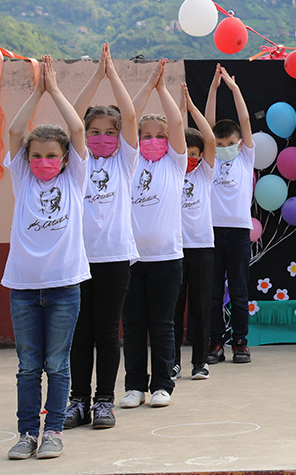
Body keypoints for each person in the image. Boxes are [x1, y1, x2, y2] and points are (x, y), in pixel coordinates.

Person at [3, 56, 89, 460]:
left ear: (65, 159)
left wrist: (54, 90)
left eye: (51, 156)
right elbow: (15, 131)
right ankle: (26, 434)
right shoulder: (22, 178)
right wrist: (37, 91)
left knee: (57, 364)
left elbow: (76, 130)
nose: (42, 162)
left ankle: (53, 431)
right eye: (36, 156)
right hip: (22, 289)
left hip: (64, 288)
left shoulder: (74, 179)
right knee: (27, 367)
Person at [63, 43, 138, 432]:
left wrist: (113, 75)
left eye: (110, 132)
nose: (102, 137)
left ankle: (104, 401)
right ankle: (78, 400)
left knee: (107, 331)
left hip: (114, 258)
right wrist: (96, 75)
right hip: (78, 259)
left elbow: (131, 115)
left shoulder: (126, 162)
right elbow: (73, 116)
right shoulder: (77, 162)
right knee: (80, 333)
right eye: (94, 132)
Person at [119, 60, 187, 409]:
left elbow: (177, 123)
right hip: (130, 259)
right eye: (146, 136)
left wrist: (162, 89)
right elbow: (128, 119)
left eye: (160, 136)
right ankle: (134, 386)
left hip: (166, 259)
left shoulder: (176, 164)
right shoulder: (128, 163)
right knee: (132, 326)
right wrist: (147, 86)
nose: (153, 140)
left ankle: (162, 384)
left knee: (162, 324)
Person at [205, 64, 256, 365]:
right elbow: (207, 125)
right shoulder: (210, 158)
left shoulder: (245, 158)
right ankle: (215, 342)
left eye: (229, 144)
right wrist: (213, 89)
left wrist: (234, 89)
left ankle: (240, 342)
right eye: (219, 144)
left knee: (238, 291)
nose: (224, 148)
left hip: (238, 232)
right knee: (212, 294)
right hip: (211, 232)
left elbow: (245, 120)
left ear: (239, 144)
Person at [175, 83, 216, 380]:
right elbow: (173, 136)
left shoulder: (204, 173)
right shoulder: (170, 170)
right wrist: (179, 111)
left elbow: (210, 139)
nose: (189, 158)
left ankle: (200, 362)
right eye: (185, 152)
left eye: (194, 153)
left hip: (201, 247)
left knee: (201, 308)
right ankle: (172, 362)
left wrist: (190, 108)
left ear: (201, 155)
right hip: (174, 249)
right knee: (173, 310)